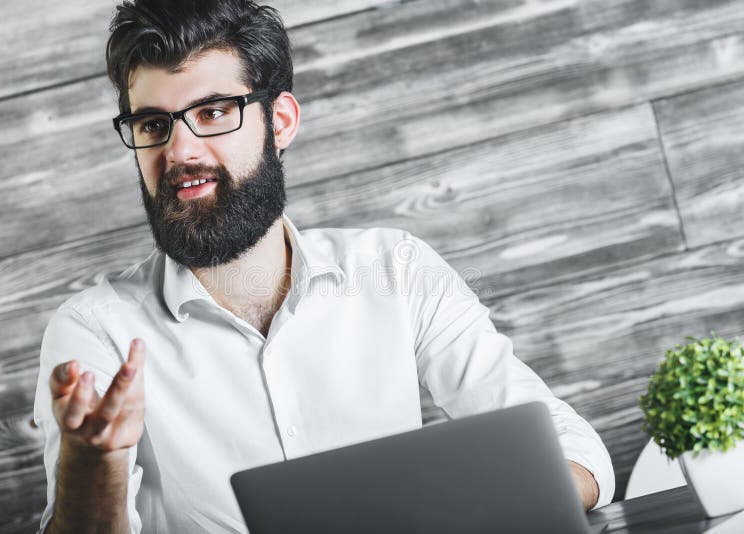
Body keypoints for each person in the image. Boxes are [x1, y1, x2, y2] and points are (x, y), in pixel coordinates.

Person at [32, 0, 615, 532]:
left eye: (213, 113)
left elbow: (575, 450)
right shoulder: (95, 329)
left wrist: (488, 509)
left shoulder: (397, 269)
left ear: (280, 123)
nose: (179, 152)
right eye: (153, 125)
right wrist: (96, 460)